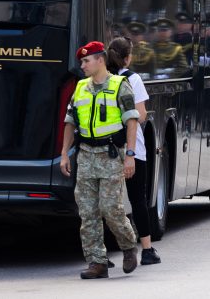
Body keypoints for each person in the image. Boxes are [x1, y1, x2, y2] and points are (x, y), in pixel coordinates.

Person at [60, 41, 140, 279]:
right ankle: (97, 262)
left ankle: (128, 246)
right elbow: (70, 122)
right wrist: (65, 153)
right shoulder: (81, 87)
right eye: (81, 62)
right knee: (87, 212)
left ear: (100, 60)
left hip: (110, 155)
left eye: (86, 61)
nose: (82, 65)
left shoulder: (120, 86)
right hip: (85, 155)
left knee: (110, 208)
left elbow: (132, 122)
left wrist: (130, 156)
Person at [106, 38, 162, 265]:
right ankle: (147, 249)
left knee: (107, 201)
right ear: (128, 57)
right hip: (133, 149)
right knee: (139, 199)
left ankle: (103, 253)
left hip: (107, 147)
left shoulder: (103, 80)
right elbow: (140, 115)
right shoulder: (133, 79)